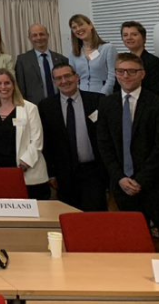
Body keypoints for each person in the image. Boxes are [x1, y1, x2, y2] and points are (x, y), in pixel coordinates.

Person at [97, 53, 159, 251]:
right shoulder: (107, 104)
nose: (126, 76)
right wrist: (120, 178)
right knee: (134, 244)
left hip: (158, 186)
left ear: (142, 74)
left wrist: (140, 180)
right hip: (123, 186)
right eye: (121, 71)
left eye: (132, 71)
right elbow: (104, 145)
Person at [38, 62, 108, 211]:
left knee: (96, 217)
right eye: (58, 78)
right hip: (63, 175)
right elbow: (46, 143)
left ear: (77, 77)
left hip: (93, 172)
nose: (64, 81)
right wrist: (51, 174)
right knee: (70, 218)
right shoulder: (46, 106)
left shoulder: (98, 101)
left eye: (67, 76)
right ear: (54, 82)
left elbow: (107, 138)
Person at [0, 69, 49, 200]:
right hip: (0, 174)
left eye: (7, 83)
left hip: (29, 174)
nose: (3, 87)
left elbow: (37, 141)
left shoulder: (29, 108)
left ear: (14, 85)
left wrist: (22, 166)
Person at [14, 24, 68, 104]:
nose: (39, 38)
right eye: (34, 35)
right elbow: (20, 87)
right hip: (35, 106)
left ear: (48, 36)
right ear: (29, 38)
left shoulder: (61, 59)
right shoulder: (22, 61)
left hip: (61, 104)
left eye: (41, 34)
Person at [68, 14, 116, 95]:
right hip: (82, 96)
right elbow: (73, 78)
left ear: (90, 25)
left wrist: (103, 95)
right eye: (74, 27)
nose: (78, 29)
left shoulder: (107, 48)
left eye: (81, 25)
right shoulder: (73, 54)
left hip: (103, 95)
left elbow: (112, 76)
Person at [122, 21, 159, 98]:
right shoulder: (122, 62)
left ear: (144, 38)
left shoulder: (154, 62)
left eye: (134, 34)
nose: (129, 38)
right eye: (125, 35)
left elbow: (157, 92)